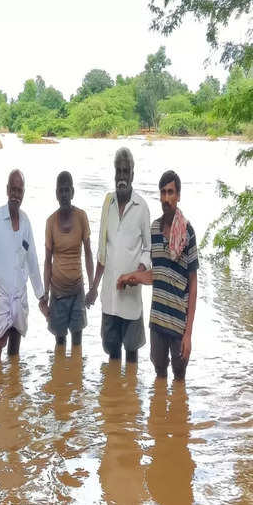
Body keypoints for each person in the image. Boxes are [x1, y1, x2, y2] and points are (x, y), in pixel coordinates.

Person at [117, 170, 198, 380]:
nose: (165, 198)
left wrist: (188, 334)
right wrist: (131, 277)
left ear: (178, 196)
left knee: (179, 378)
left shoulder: (187, 233)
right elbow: (158, 274)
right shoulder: (154, 229)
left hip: (178, 322)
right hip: (157, 321)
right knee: (159, 376)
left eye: (170, 192)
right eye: (162, 192)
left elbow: (193, 283)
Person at [0, 169, 48, 362]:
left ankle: (13, 389)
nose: (16, 195)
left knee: (14, 354)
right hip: (0, 297)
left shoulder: (26, 222)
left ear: (24, 193)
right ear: (7, 190)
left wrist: (41, 296)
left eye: (20, 191)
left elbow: (32, 261)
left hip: (20, 297)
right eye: (13, 190)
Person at [86, 147, 151, 363]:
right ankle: (115, 396)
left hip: (131, 298)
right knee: (112, 355)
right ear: (114, 173)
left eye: (126, 171)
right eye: (119, 171)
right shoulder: (108, 204)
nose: (122, 176)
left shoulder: (142, 207)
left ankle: (129, 396)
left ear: (133, 174)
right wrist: (94, 287)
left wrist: (138, 272)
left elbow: (148, 249)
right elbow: (102, 252)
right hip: (109, 298)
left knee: (131, 354)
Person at [43, 171, 94, 348]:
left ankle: (73, 373)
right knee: (59, 343)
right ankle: (61, 375)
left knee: (77, 343)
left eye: (67, 190)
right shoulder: (50, 222)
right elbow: (47, 261)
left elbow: (88, 254)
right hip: (57, 293)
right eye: (61, 191)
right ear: (56, 193)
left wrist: (93, 287)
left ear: (72, 192)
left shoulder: (81, 217)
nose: (64, 195)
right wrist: (45, 293)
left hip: (77, 291)